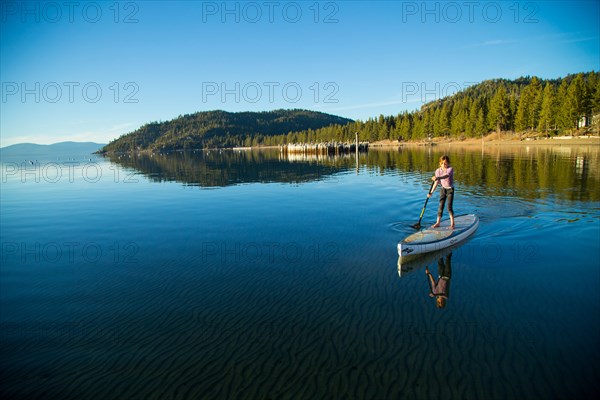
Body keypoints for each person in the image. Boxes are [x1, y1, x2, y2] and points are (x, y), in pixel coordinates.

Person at [427, 155, 454, 228]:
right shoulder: (438, 171)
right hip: (443, 189)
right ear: (440, 163)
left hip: (450, 189)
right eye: (442, 163)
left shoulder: (450, 169)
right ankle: (438, 223)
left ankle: (452, 224)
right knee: (440, 206)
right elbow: (436, 182)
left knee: (449, 207)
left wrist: (438, 177)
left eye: (445, 163)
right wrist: (431, 192)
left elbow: (446, 176)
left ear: (448, 163)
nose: (444, 165)